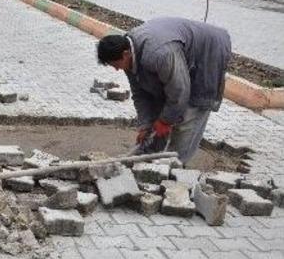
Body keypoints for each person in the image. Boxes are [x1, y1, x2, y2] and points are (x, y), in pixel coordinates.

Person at [96, 17, 231, 164]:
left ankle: (172, 167)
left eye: (116, 64)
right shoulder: (128, 53)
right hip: (177, 53)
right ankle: (147, 157)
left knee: (188, 117)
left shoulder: (159, 54)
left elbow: (180, 90)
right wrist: (145, 125)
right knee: (160, 113)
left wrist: (165, 121)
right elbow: (140, 94)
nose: (116, 69)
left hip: (208, 52)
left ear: (125, 54)